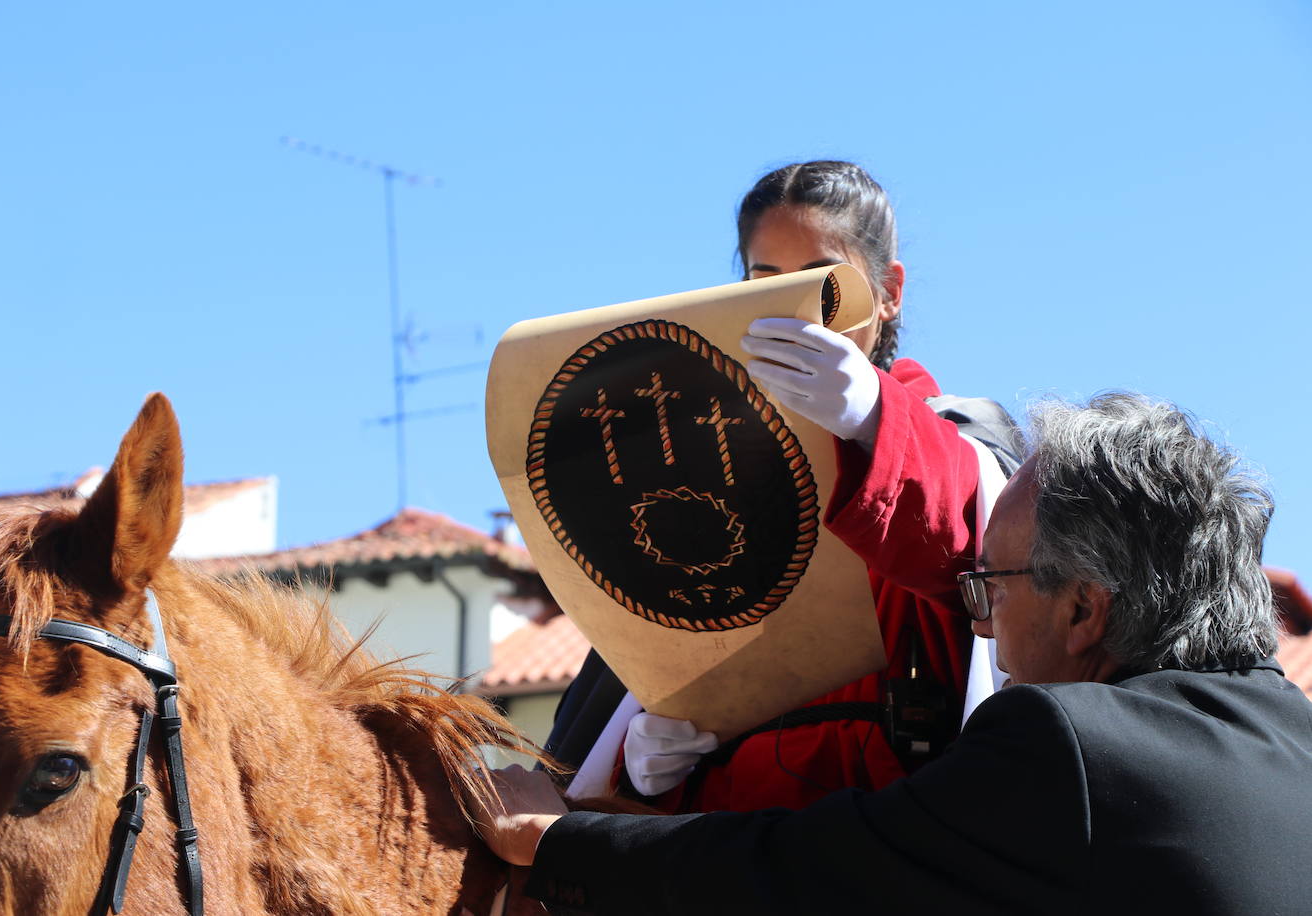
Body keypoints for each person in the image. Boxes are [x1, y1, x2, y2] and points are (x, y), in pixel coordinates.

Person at [476, 393, 1312, 915]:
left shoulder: (1069, 745)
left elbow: (807, 874)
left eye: (988, 589)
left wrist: (558, 841)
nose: (981, 630)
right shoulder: (1296, 739)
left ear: (1086, 608)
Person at [545, 160, 1022, 811]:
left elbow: (985, 554)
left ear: (889, 293)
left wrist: (875, 419)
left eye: (823, 286)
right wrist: (647, 768)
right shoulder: (698, 479)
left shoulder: (962, 443)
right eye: (762, 284)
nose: (797, 314)